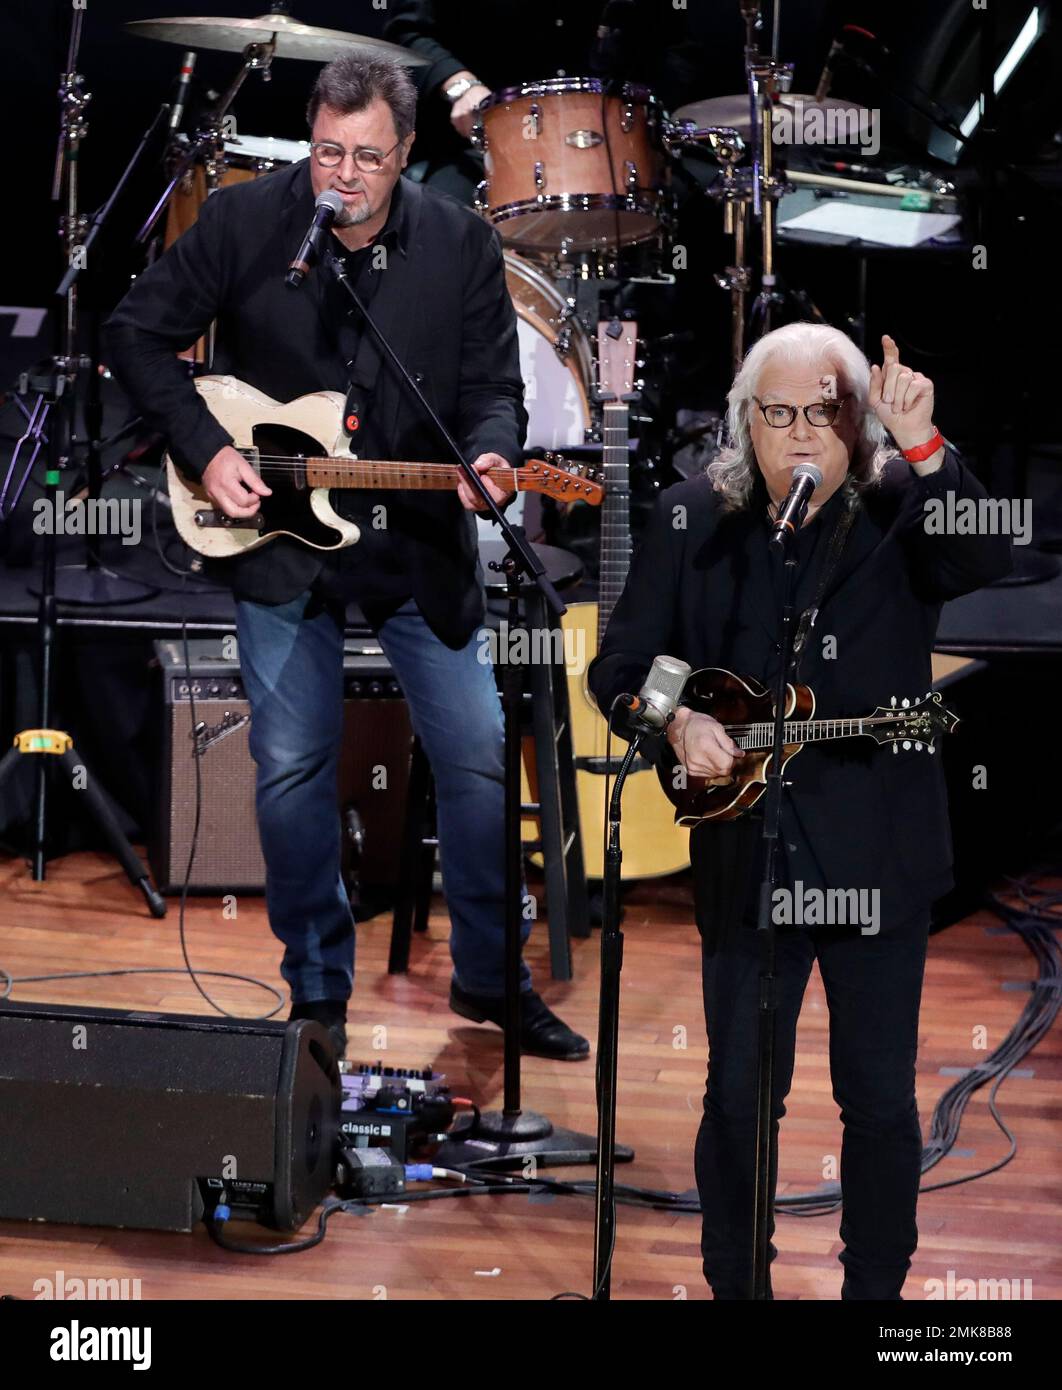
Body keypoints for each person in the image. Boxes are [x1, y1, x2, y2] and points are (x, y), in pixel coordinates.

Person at [104, 53, 589, 1063]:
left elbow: (495, 390)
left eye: (369, 158)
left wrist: (494, 454)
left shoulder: (457, 242)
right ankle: (317, 991)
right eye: (329, 151)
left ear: (406, 153)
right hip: (283, 546)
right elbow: (136, 332)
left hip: (413, 549)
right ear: (309, 140)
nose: (345, 175)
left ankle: (491, 979)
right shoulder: (246, 224)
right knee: (289, 770)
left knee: (477, 760)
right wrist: (208, 449)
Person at [587, 323, 1013, 1298]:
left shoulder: (905, 503)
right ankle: (740, 1288)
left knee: (875, 1098)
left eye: (825, 411)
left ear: (857, 420)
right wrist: (675, 717)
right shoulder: (693, 517)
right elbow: (620, 667)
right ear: (746, 422)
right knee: (738, 1097)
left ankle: (875, 1298)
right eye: (778, 414)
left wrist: (928, 446)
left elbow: (991, 556)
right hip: (749, 852)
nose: (802, 434)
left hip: (879, 851)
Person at [384, 0, 705, 203]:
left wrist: (648, 116)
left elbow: (675, 48)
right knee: (446, 214)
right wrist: (461, 86)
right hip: (486, 146)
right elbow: (407, 32)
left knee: (701, 201)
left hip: (614, 144)